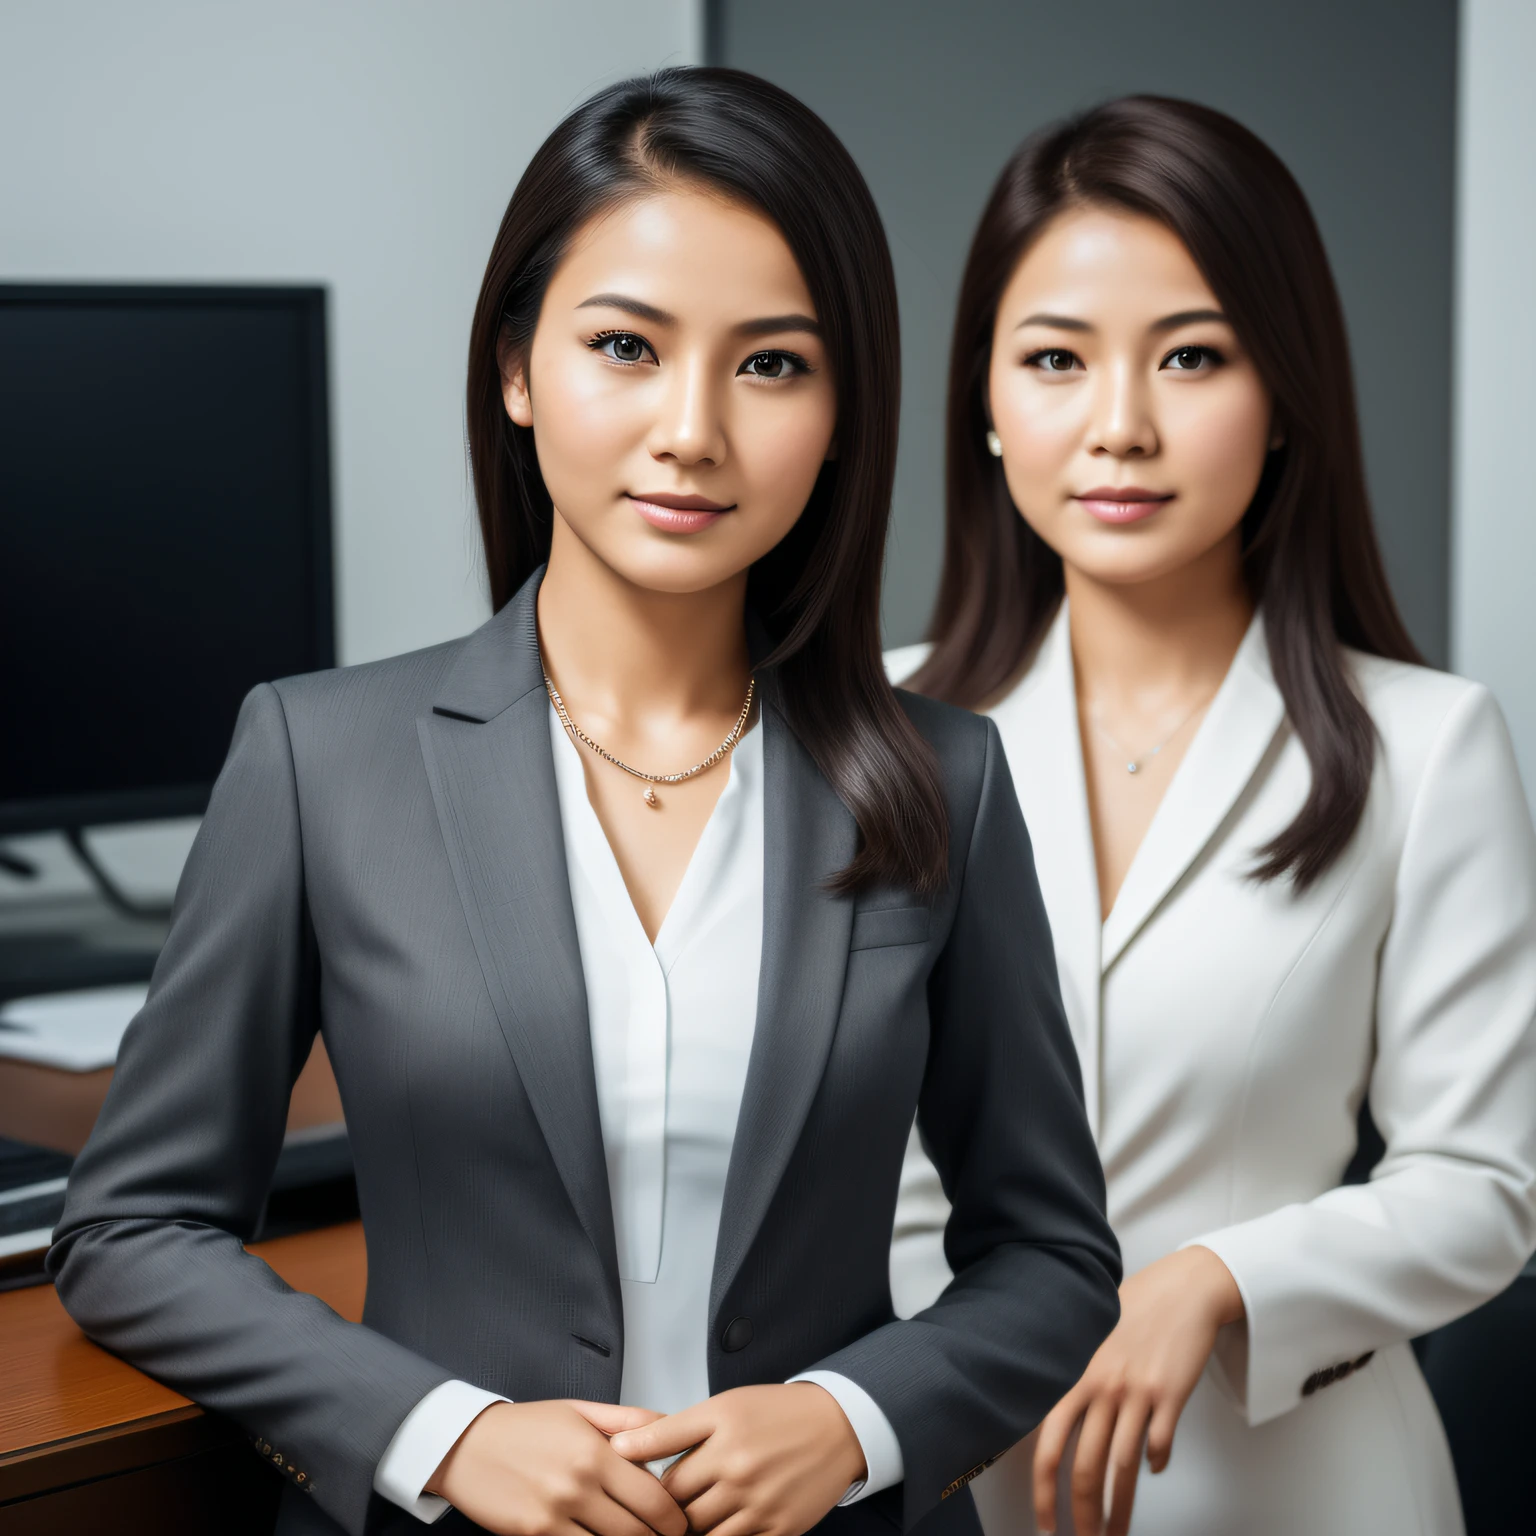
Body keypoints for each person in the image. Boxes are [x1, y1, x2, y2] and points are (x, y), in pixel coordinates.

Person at [48, 69, 1121, 1536]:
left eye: (771, 365)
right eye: (626, 345)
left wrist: (851, 1421)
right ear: (515, 369)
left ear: (837, 411)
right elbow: (128, 1230)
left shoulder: (945, 780)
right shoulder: (321, 756)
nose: (693, 429)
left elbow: (1054, 1257)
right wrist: (439, 1433)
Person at [887, 96, 1536, 1536]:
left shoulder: (1428, 747)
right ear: (985, 403)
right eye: (1055, 359)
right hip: (954, 1483)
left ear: (1286, 390)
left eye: (1191, 356)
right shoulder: (866, 739)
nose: (1119, 424)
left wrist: (1215, 1281)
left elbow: (1484, 1186)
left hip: (1306, 1484)